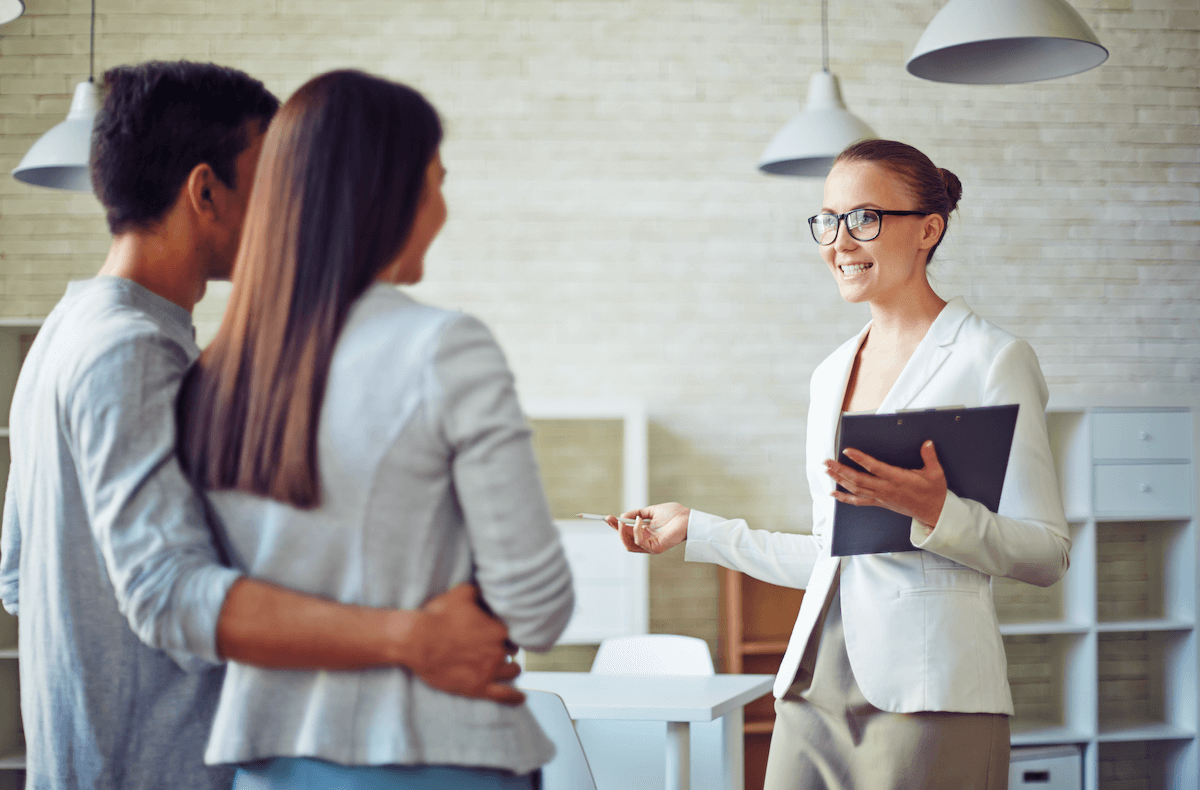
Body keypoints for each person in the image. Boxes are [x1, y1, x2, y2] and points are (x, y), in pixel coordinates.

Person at [0, 61, 526, 790]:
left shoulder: (66, 333)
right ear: (206, 191)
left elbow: (19, 578)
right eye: (275, 180)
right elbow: (166, 595)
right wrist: (413, 640)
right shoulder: (132, 352)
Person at [609, 139, 1071, 789]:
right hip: (811, 689)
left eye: (864, 218)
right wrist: (697, 528)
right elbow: (835, 557)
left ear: (928, 230)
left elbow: (1047, 554)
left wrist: (938, 513)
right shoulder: (831, 374)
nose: (839, 242)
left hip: (928, 695)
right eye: (828, 221)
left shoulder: (990, 358)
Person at [175, 69, 573, 790]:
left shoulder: (211, 375)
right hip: (437, 753)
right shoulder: (444, 346)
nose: (443, 207)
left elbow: (198, 589)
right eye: (437, 180)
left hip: (267, 764)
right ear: (391, 191)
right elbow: (539, 608)